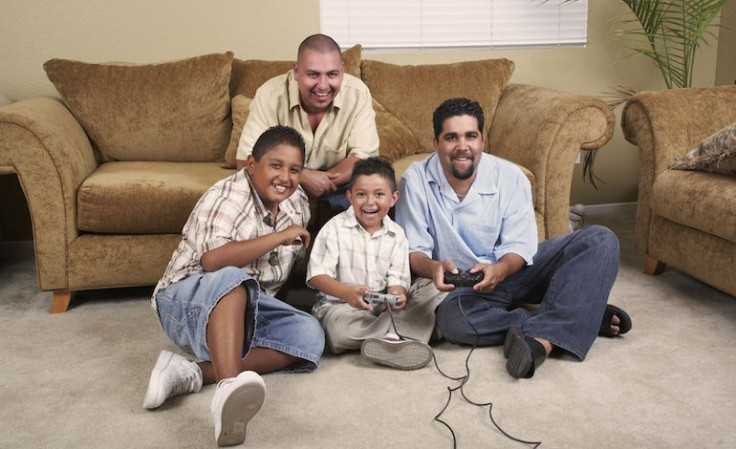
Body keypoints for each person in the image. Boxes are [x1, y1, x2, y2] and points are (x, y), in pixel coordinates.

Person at [395, 98, 632, 379]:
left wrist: (500, 269)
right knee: (453, 323)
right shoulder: (415, 180)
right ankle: (578, 316)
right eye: (451, 137)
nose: (462, 146)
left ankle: (549, 335)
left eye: (471, 136)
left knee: (599, 240)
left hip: (513, 270)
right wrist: (433, 268)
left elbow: (519, 247)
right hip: (462, 287)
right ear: (435, 143)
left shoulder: (510, 176)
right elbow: (415, 251)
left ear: (483, 140)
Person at [143, 125, 325, 447]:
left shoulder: (297, 204)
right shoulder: (227, 196)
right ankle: (228, 388)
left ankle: (193, 373)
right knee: (233, 277)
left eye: (294, 169)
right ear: (252, 165)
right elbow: (214, 261)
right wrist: (280, 236)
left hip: (241, 310)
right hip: (184, 303)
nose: (285, 176)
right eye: (275, 165)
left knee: (310, 334)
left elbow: (275, 282)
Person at [307, 156, 434, 370]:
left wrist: (396, 295)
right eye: (361, 195)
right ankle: (400, 335)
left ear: (393, 198)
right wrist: (346, 293)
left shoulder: (397, 235)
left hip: (381, 309)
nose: (369, 202)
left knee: (432, 290)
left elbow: (397, 279)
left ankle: (387, 338)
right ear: (350, 196)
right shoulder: (334, 229)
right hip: (340, 308)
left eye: (379, 195)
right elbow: (317, 276)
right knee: (337, 332)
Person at [235, 33, 379, 212]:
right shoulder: (270, 95)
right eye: (313, 74)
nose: (323, 85)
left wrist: (323, 180)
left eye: (332, 74)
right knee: (249, 189)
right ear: (296, 72)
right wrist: (302, 177)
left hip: (339, 184)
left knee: (371, 185)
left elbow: (364, 157)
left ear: (342, 71)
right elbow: (246, 161)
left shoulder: (358, 94)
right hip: (282, 180)